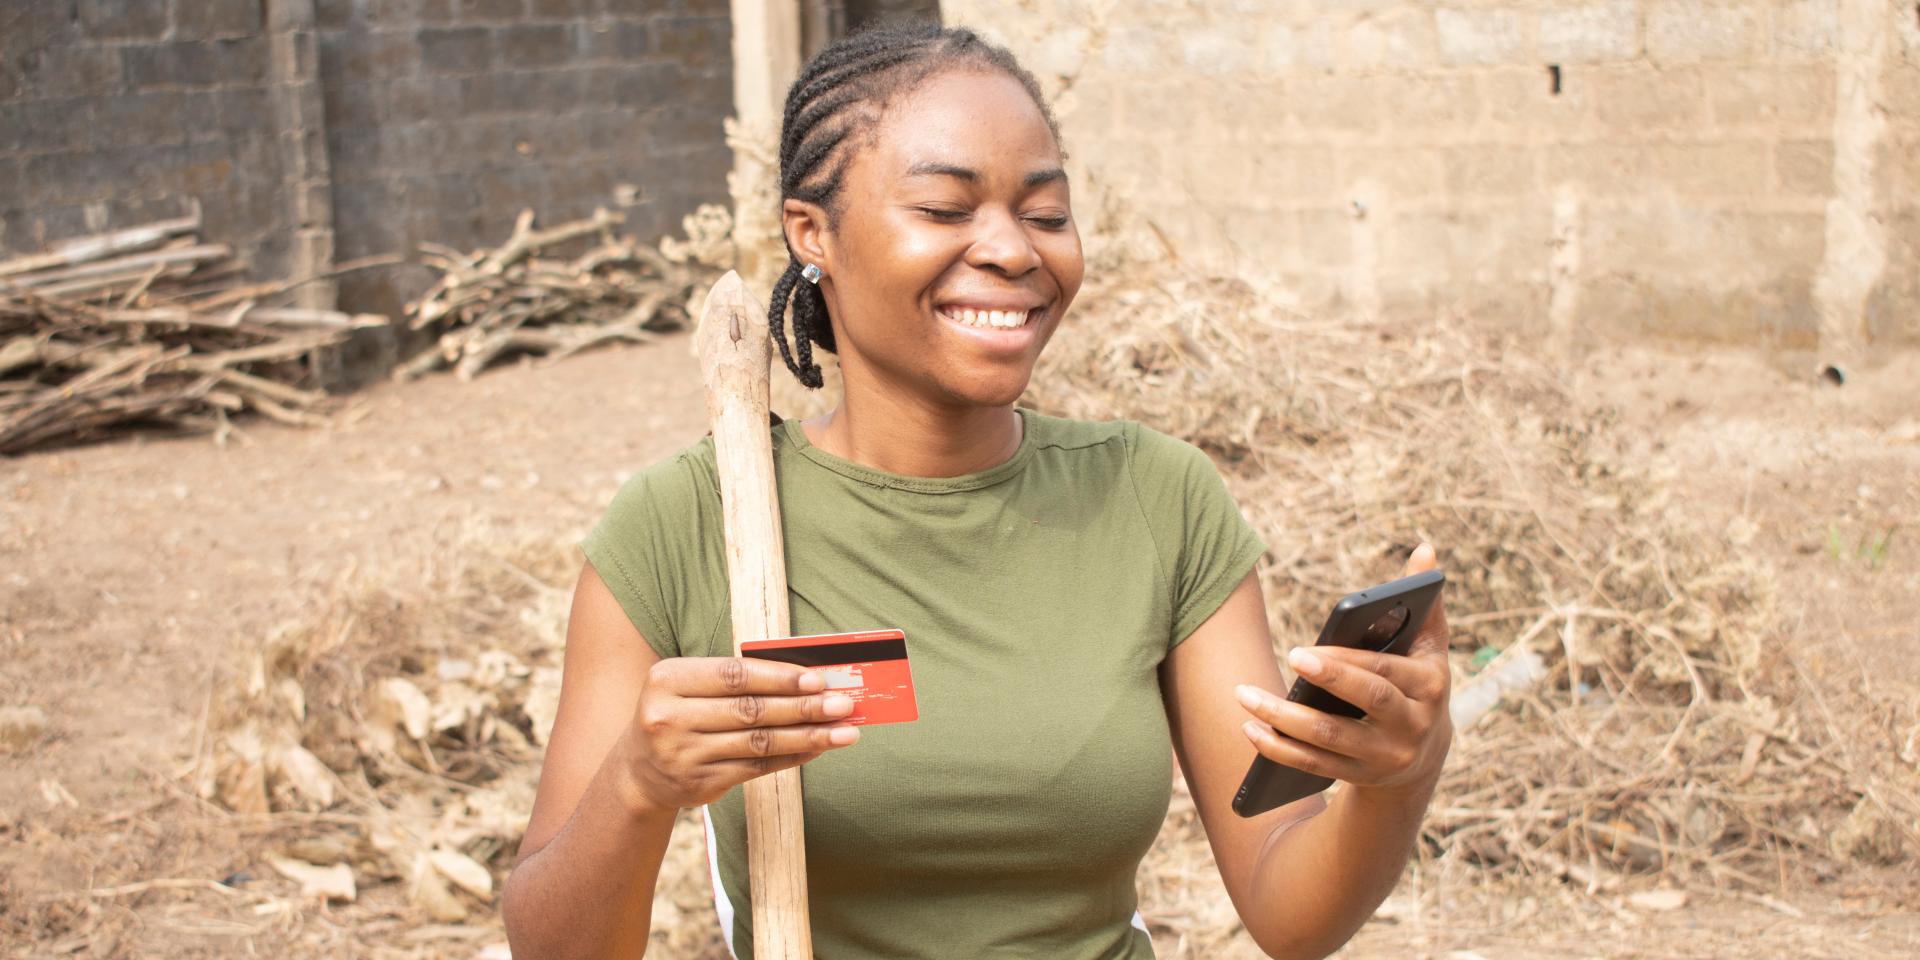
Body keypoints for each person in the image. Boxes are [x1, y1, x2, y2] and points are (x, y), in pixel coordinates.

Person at [502, 23, 1453, 960]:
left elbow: (1293, 913)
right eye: (946, 210)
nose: (1011, 250)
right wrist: (635, 782)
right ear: (811, 233)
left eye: (1044, 214)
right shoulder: (683, 525)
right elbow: (552, 948)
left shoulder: (1154, 499)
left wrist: (1399, 776)